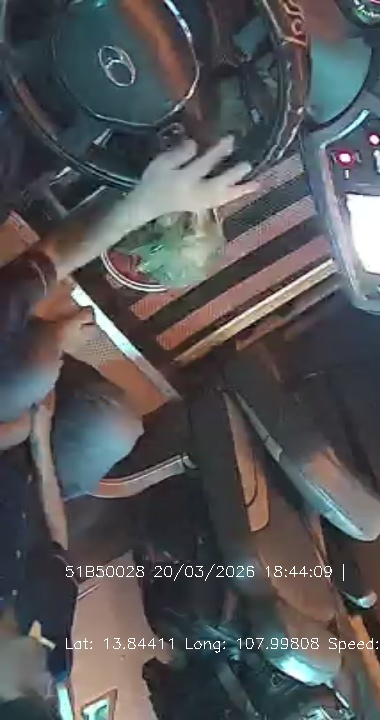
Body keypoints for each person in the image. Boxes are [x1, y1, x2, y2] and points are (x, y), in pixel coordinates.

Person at [0, 137, 259, 714]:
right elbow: (55, 545)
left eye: (30, 686)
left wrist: (23, 418)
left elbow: (38, 268)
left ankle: (44, 341)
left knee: (33, 367)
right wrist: (40, 438)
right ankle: (50, 348)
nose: (47, 677)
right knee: (119, 425)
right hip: (26, 490)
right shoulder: (50, 656)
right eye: (48, 691)